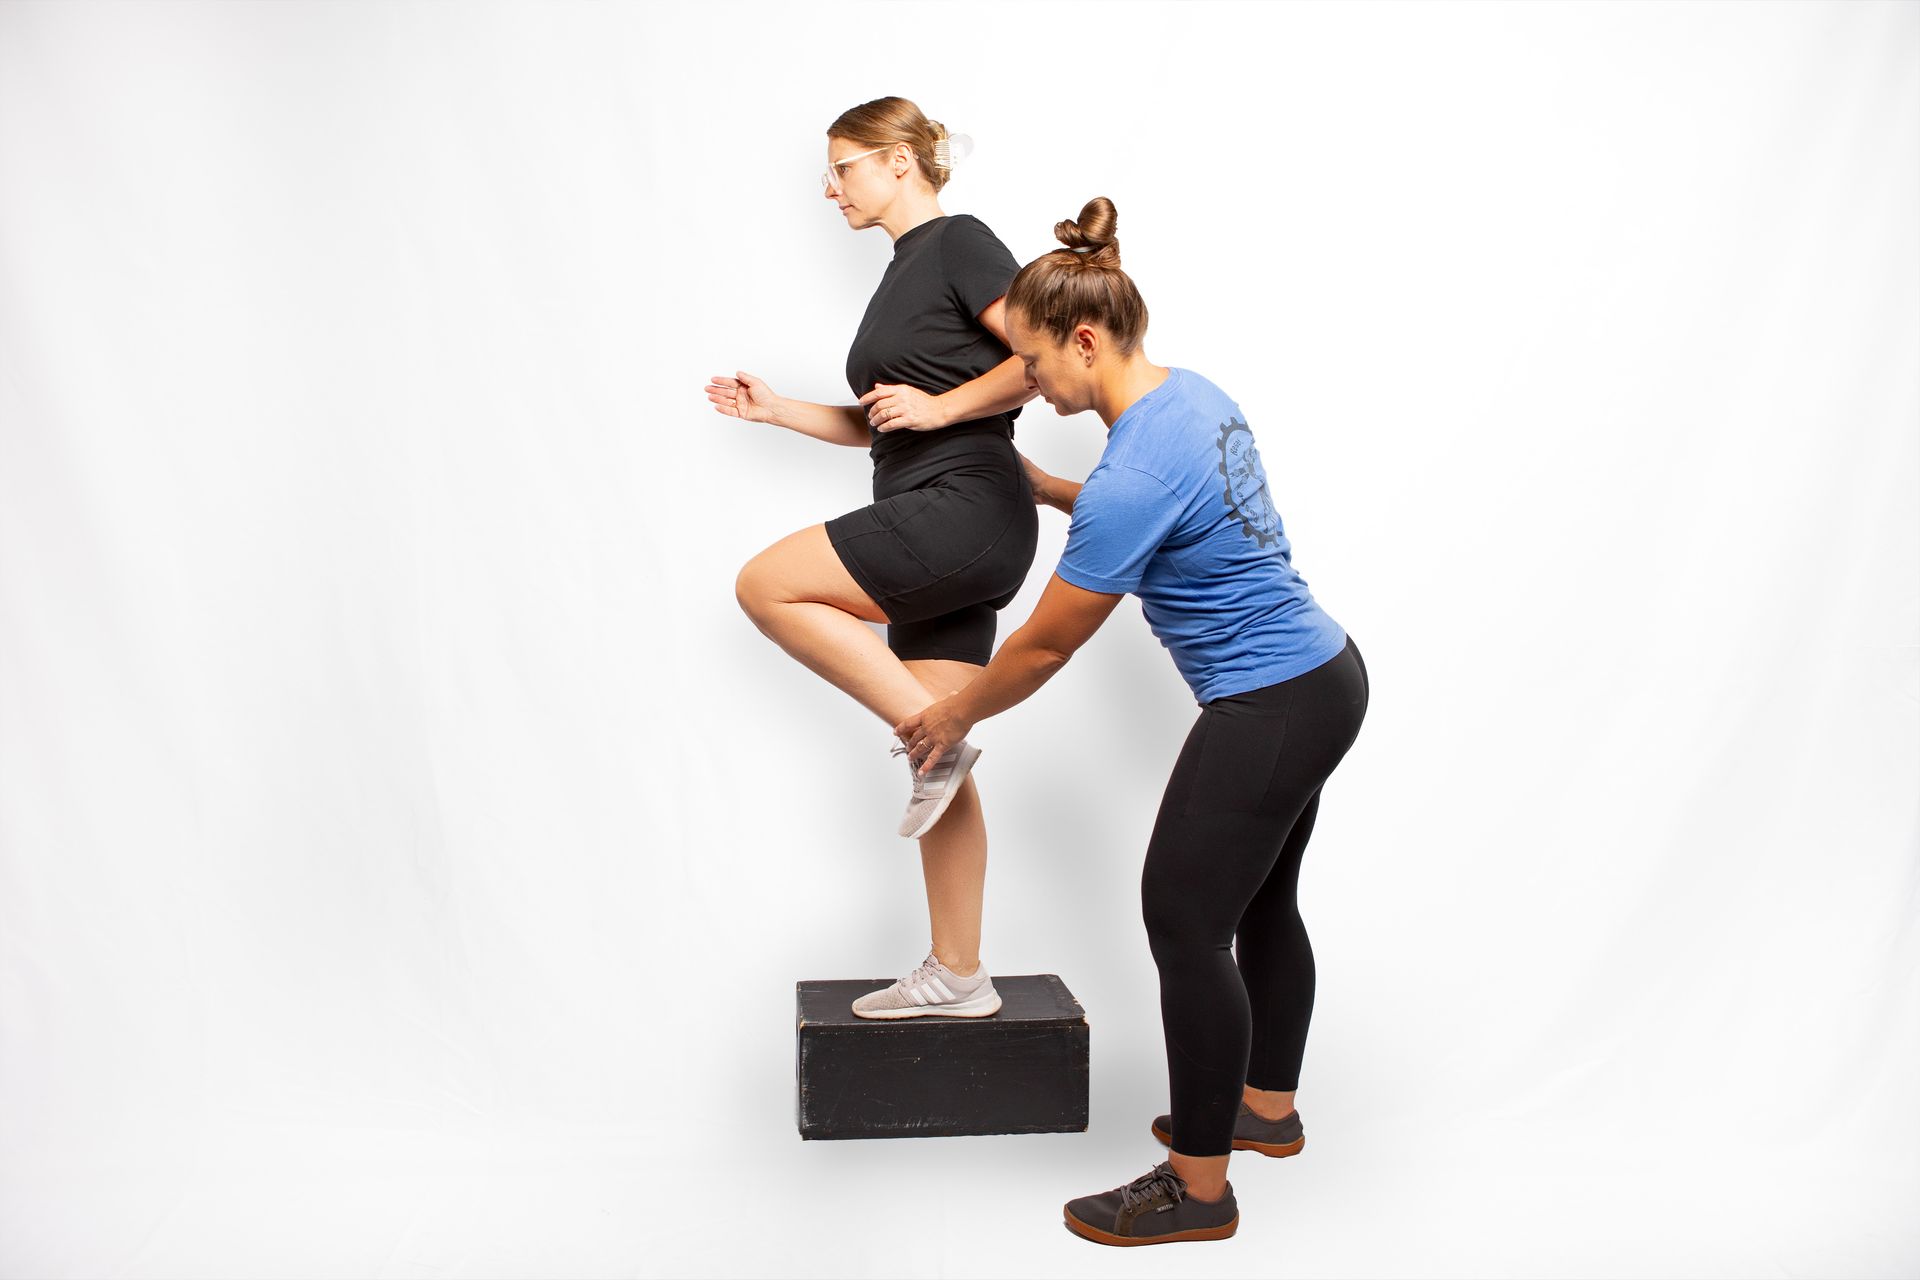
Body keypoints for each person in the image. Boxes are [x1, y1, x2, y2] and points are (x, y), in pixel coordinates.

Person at [895, 197, 1369, 1246]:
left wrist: (953, 708)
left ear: (1085, 338)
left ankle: (1198, 1187)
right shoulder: (1188, 397)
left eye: (1033, 364)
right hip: (1324, 675)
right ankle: (1266, 1112)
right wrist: (1057, 487)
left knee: (1183, 919)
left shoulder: (1131, 473)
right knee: (1259, 903)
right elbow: (1158, 504)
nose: (1030, 384)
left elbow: (1046, 644)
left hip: (1272, 700)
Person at [708, 97, 1038, 1019]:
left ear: (900, 161)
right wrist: (777, 410)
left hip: (965, 509)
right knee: (933, 733)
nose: (829, 187)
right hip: (941, 510)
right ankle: (960, 972)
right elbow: (885, 423)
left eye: (843, 167)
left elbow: (1044, 356)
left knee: (764, 584)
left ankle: (938, 744)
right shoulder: (904, 271)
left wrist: (941, 410)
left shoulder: (960, 239)